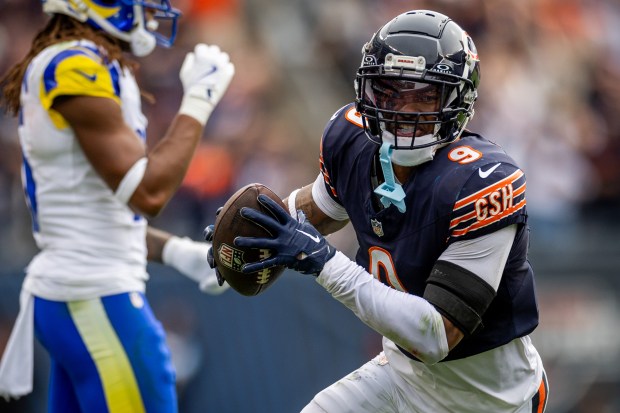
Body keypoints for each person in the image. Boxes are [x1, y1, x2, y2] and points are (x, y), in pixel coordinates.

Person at [209, 9, 549, 413]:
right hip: (403, 378)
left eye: (424, 95)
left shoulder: (483, 181)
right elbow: (320, 208)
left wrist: (322, 262)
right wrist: (258, 227)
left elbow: (435, 336)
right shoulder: (351, 139)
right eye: (389, 91)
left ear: (459, 101)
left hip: (488, 400)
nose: (404, 111)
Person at [0, 0, 234, 411]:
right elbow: (148, 193)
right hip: (97, 299)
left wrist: (178, 252)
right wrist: (200, 99)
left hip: (79, 298)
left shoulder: (78, 61)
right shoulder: (75, 66)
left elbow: (93, 218)